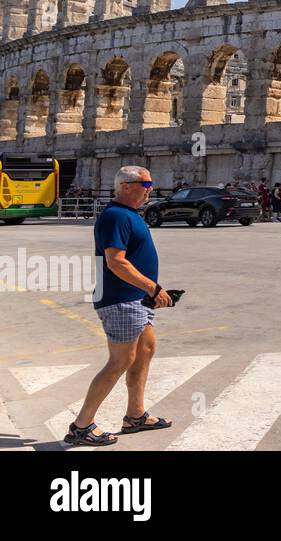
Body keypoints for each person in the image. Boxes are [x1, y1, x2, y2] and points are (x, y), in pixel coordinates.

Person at [66, 166, 173, 447]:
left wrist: (148, 291)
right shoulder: (115, 215)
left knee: (145, 351)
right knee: (120, 361)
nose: (150, 188)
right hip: (121, 299)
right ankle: (81, 425)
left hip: (135, 298)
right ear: (126, 186)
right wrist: (153, 287)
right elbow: (115, 260)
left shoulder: (128, 215)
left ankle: (135, 415)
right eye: (145, 183)